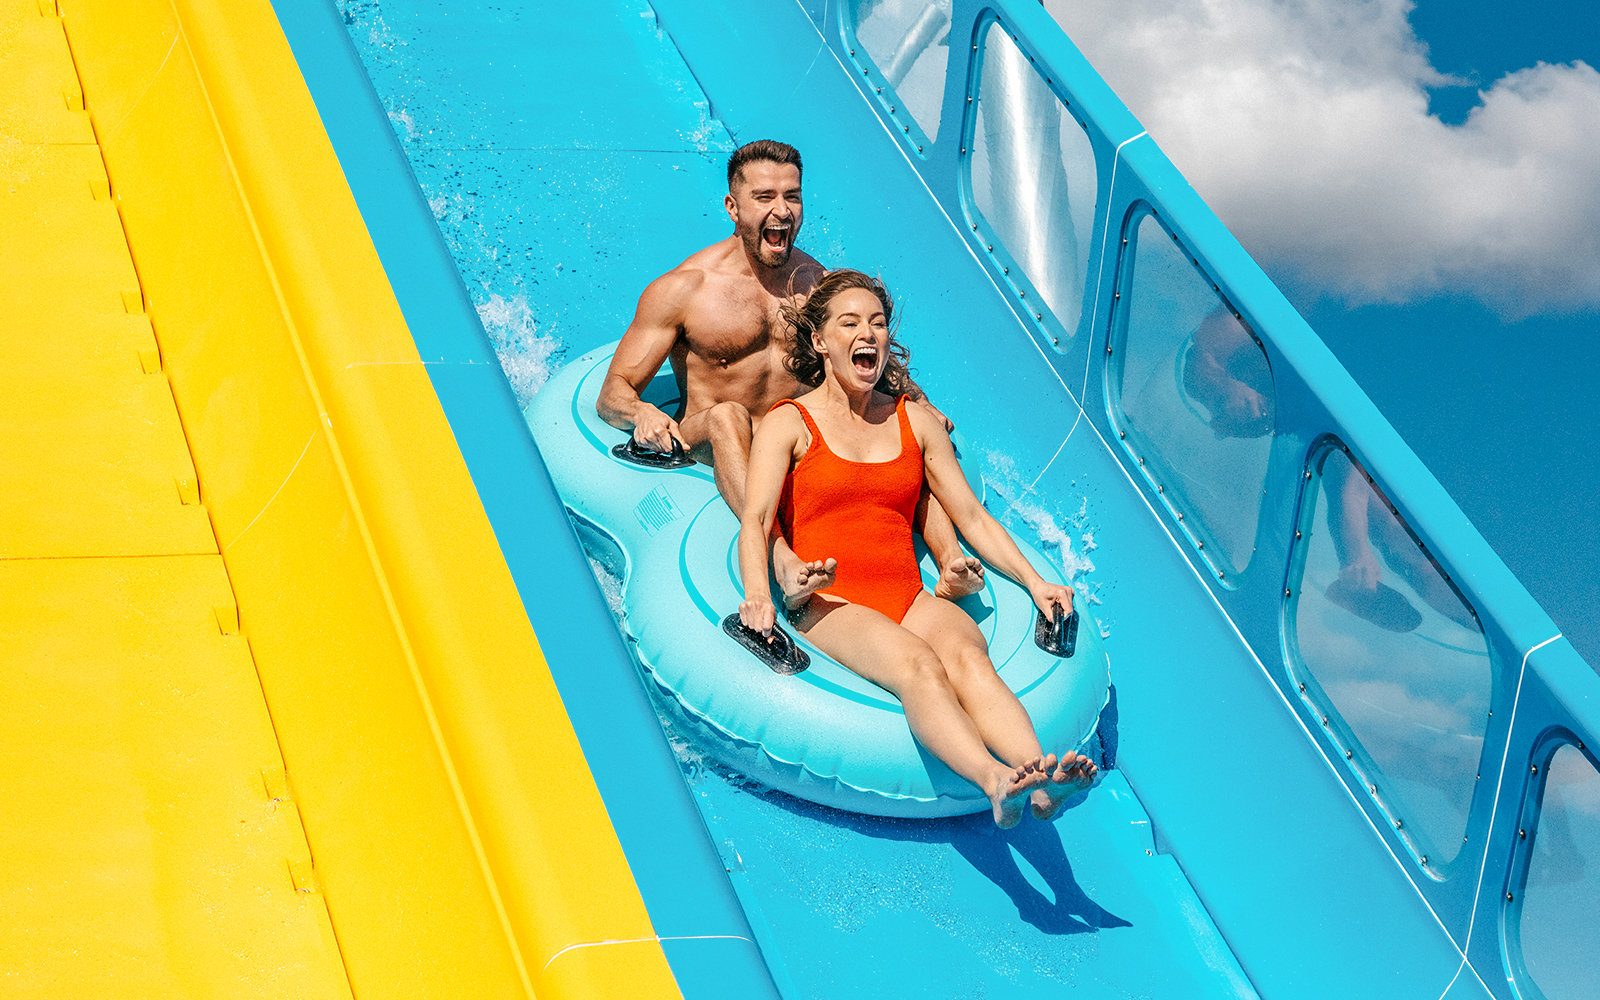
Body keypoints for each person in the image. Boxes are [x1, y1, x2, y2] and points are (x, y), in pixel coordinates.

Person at [737, 270, 1097, 829]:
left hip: (905, 594)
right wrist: (759, 594)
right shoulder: (790, 423)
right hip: (830, 603)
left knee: (968, 654)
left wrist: (1036, 581)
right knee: (919, 665)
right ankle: (993, 779)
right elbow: (756, 518)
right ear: (820, 341)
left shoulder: (914, 419)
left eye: (878, 324)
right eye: (850, 323)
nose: (869, 334)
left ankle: (1040, 781)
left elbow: (972, 517)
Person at [596, 139, 984, 603]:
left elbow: (866, 352)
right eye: (765, 198)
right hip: (715, 441)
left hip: (793, 445)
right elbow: (613, 392)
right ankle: (778, 553)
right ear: (733, 207)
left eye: (792, 196)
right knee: (727, 416)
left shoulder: (815, 285)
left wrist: (919, 404)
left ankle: (951, 566)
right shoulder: (685, 291)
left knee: (896, 425)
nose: (782, 211)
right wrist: (641, 413)